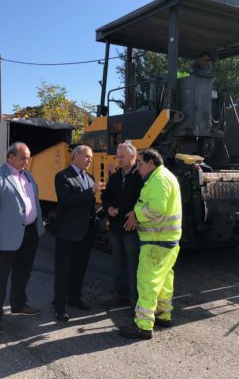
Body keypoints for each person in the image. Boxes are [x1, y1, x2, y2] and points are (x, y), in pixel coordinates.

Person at [0, 142, 45, 335]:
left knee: (23, 273)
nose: (27, 161)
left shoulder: (28, 175)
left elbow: (33, 202)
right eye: (23, 158)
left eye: (28, 158)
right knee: (0, 277)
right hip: (6, 237)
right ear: (10, 157)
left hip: (30, 233)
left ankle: (18, 304)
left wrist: (39, 226)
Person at [119, 148, 182, 340]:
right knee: (163, 281)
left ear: (151, 163)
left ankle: (143, 326)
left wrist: (136, 214)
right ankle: (163, 315)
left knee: (147, 281)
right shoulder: (165, 177)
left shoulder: (158, 180)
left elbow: (156, 209)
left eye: (140, 163)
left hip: (156, 240)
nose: (138, 167)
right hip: (167, 240)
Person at [52, 144, 105, 322]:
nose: (90, 160)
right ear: (76, 156)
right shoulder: (63, 176)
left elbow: (88, 206)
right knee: (63, 270)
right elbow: (67, 200)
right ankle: (59, 305)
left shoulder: (90, 178)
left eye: (91, 157)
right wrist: (91, 191)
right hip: (68, 232)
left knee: (80, 268)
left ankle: (75, 297)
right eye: (87, 156)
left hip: (86, 232)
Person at [101, 142, 144, 308]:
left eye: (122, 156)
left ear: (132, 156)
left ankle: (136, 300)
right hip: (115, 228)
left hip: (131, 228)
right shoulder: (115, 176)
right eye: (118, 156)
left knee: (134, 265)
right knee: (118, 263)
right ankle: (121, 295)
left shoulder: (140, 177)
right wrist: (108, 208)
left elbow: (143, 200)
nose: (119, 159)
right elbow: (106, 195)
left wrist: (129, 212)